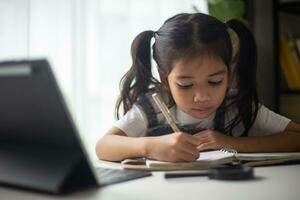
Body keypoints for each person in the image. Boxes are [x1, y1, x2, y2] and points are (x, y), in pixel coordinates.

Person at [96, 13, 300, 162]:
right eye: (185, 85)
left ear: (229, 71)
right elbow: (103, 146)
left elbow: (296, 137)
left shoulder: (236, 105)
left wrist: (230, 143)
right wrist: (151, 146)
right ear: (165, 78)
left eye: (214, 82)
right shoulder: (153, 108)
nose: (201, 97)